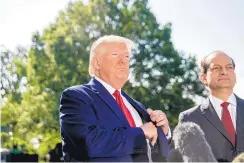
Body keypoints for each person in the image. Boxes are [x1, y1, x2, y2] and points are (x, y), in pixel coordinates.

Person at [59, 35, 170, 162]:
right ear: (97, 63)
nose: (123, 61)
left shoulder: (136, 106)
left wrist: (163, 131)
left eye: (127, 56)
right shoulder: (76, 97)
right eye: (115, 54)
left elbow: (159, 153)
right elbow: (88, 143)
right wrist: (141, 133)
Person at [178, 51, 244, 161]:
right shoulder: (189, 118)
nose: (224, 72)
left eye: (229, 67)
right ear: (203, 78)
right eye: (216, 68)